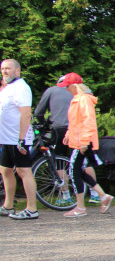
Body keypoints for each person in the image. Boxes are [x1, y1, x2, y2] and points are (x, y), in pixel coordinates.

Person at [62, 83, 114, 217]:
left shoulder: (83, 99)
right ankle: (103, 196)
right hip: (80, 141)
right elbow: (75, 122)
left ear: (74, 86)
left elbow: (88, 121)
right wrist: (68, 134)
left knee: (73, 171)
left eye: (67, 86)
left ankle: (80, 207)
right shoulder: (79, 99)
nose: (66, 89)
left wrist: (84, 142)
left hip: (83, 142)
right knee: (78, 171)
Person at [34, 71, 84, 205]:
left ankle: (66, 195)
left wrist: (43, 123)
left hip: (59, 129)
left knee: (59, 161)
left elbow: (38, 112)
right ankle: (95, 193)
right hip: (78, 129)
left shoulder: (51, 91)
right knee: (82, 160)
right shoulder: (81, 93)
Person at [0, 58, 38, 219]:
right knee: (5, 170)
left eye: (8, 68)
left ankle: (31, 209)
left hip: (18, 139)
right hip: (7, 138)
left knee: (23, 171)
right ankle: (8, 206)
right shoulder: (8, 88)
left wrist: (21, 139)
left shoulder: (21, 88)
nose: (4, 71)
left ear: (17, 70)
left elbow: (26, 113)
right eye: (2, 69)